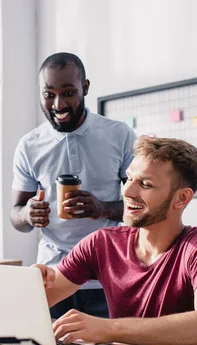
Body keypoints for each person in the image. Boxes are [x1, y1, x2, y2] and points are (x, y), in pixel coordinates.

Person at [34, 137, 197, 345]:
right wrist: (32, 284)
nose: (128, 192)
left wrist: (109, 329)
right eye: (129, 179)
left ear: (182, 198)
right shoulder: (101, 242)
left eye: (145, 184)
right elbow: (35, 301)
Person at [11, 52, 137, 319]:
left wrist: (102, 207)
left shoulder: (120, 135)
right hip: (52, 275)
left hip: (107, 275)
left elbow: (143, 207)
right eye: (49, 94)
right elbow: (15, 215)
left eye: (68, 92)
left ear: (85, 88)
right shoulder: (29, 145)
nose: (58, 104)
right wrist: (27, 214)